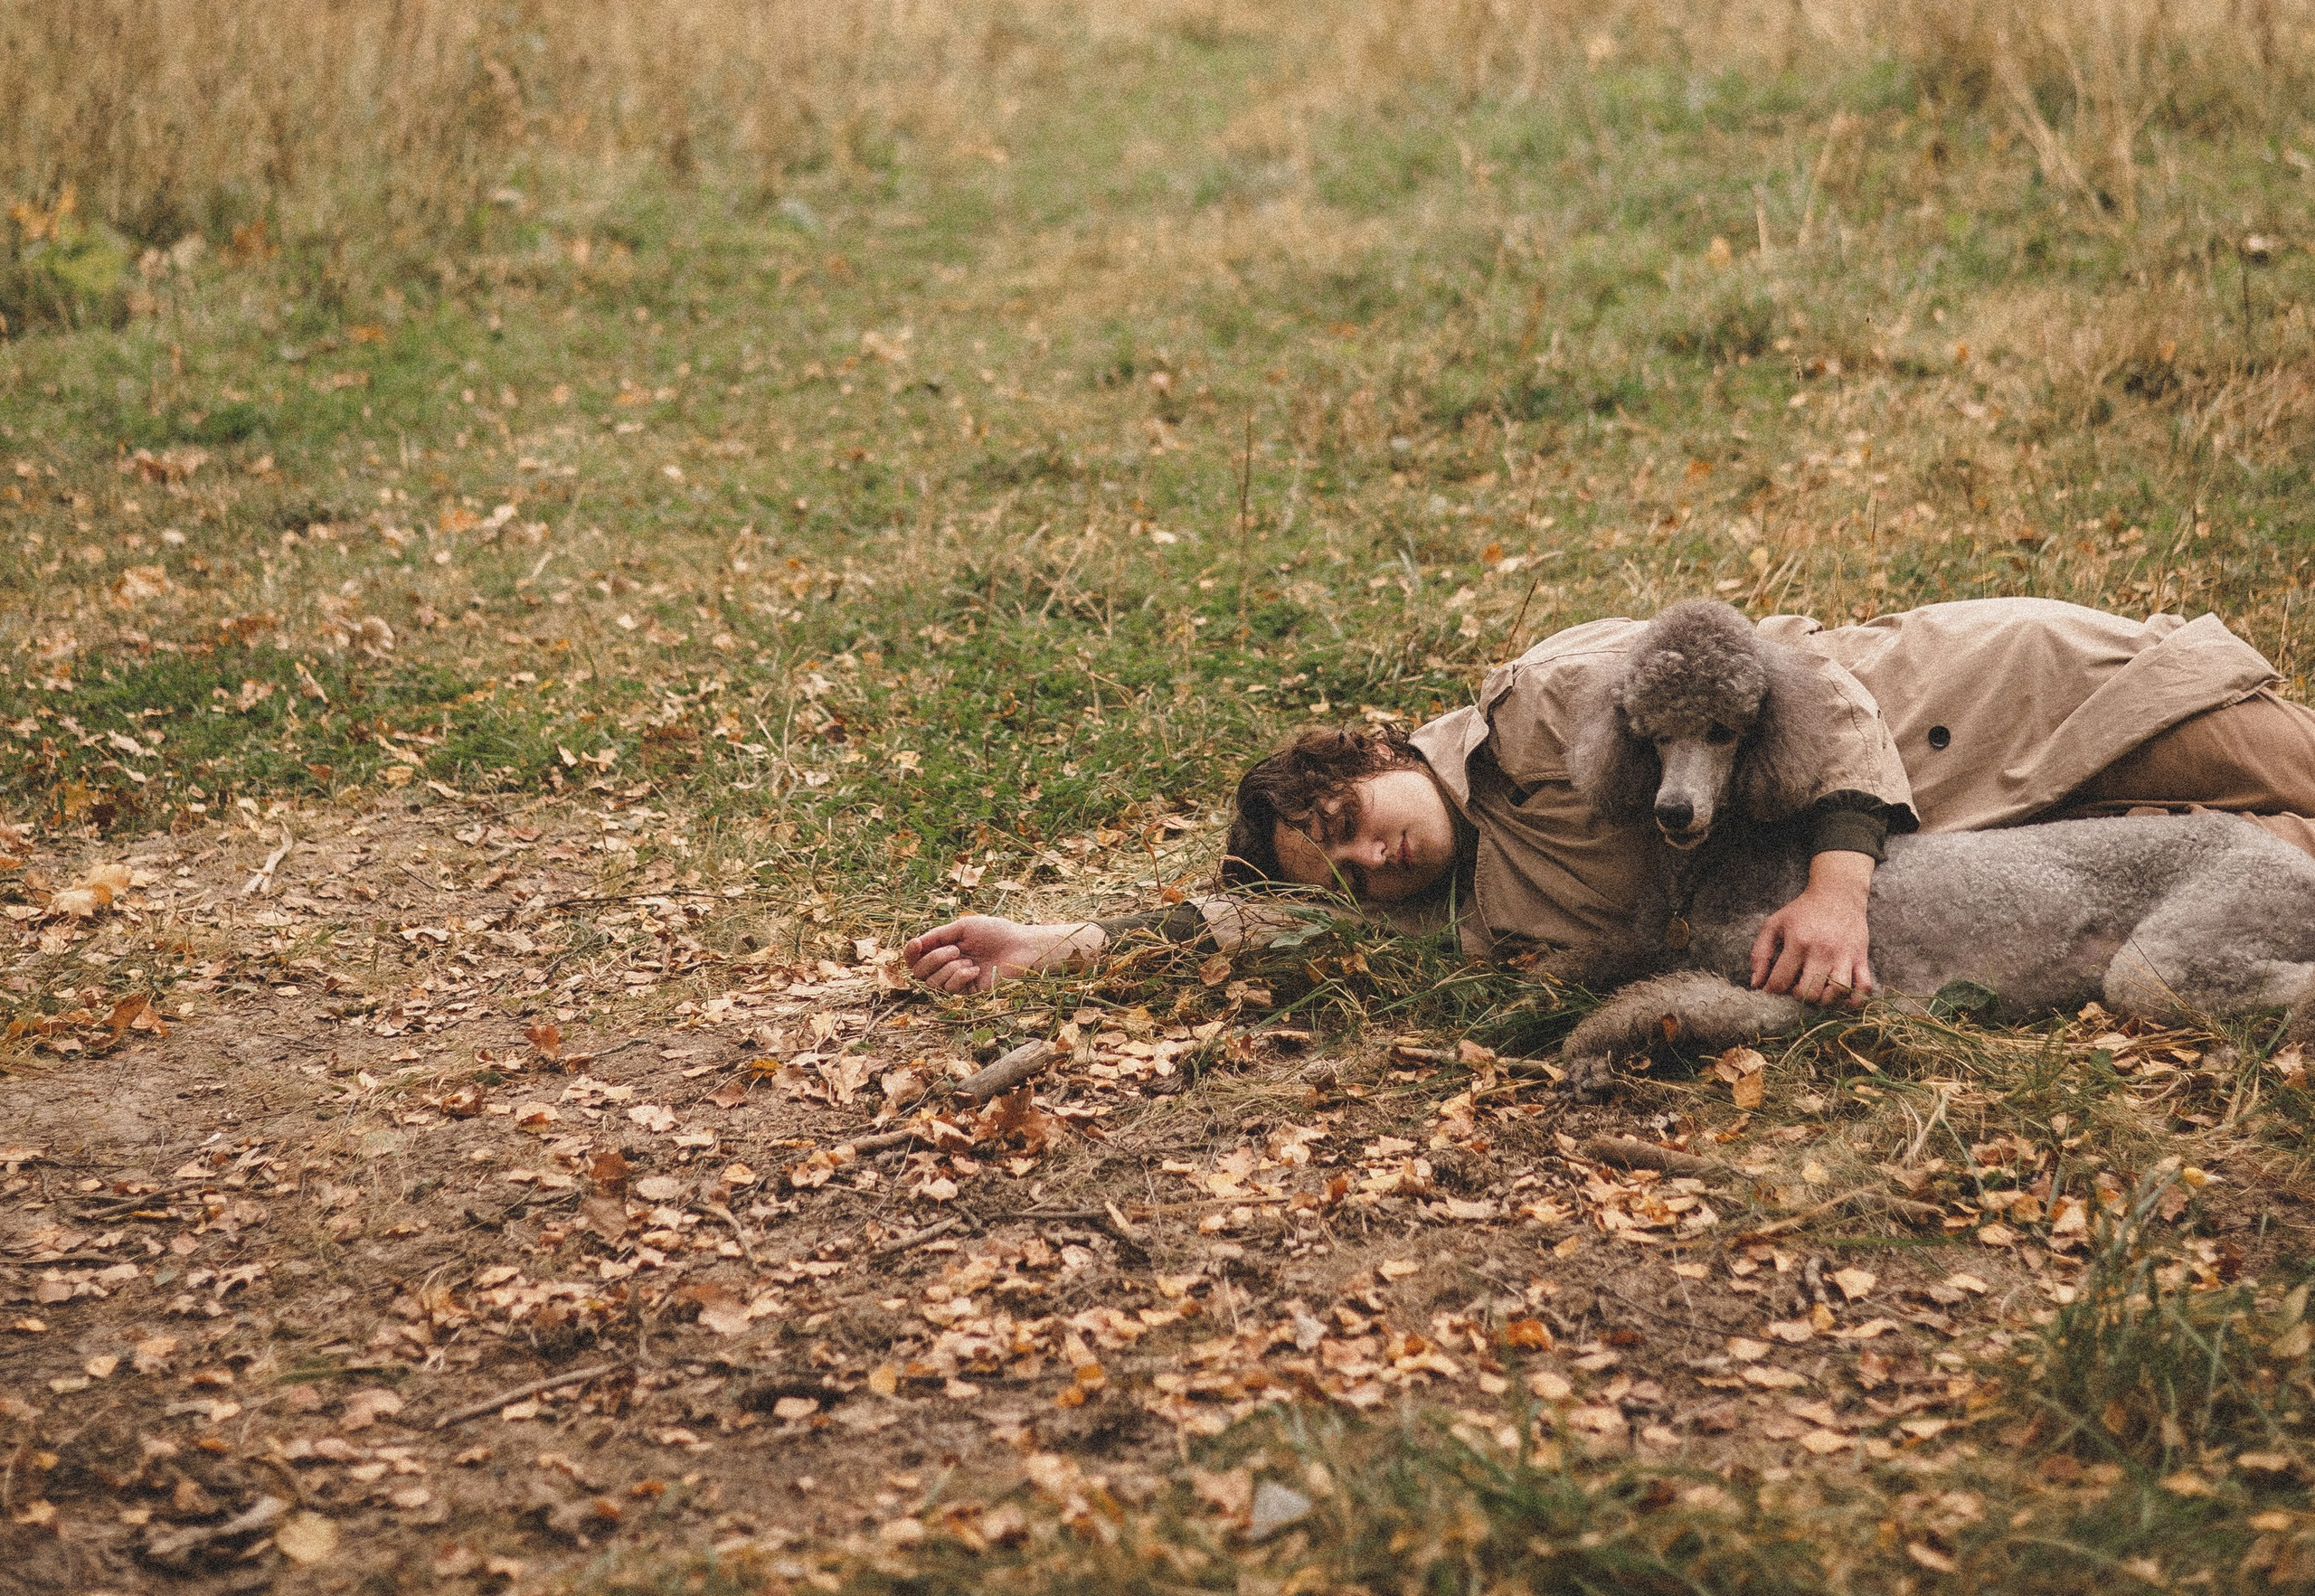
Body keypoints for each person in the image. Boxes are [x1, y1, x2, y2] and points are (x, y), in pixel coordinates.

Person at [904, 593, 2315, 1002]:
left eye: (1346, 821)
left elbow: (1806, 688)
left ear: (1382, 756)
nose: (1369, 861)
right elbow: (1247, 929)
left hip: (2008, 698)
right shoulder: (1470, 911)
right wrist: (1062, 945)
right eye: (1338, 873)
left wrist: (1836, 891)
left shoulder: (1537, 703)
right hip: (2005, 845)